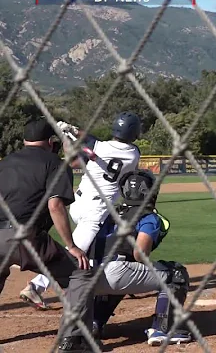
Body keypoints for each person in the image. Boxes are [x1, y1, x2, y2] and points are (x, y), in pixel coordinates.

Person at [58, 169, 192, 350]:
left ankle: (94, 322)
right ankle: (163, 330)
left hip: (88, 277)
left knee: (124, 274)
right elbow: (139, 253)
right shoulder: (148, 216)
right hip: (117, 272)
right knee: (176, 274)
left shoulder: (108, 214)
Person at [21, 111, 142, 310]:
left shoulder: (100, 147)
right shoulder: (133, 153)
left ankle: (102, 275)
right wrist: (74, 131)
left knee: (105, 241)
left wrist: (70, 130)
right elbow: (91, 142)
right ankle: (36, 286)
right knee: (73, 253)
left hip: (77, 204)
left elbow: (87, 145)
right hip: (96, 211)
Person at [0, 118, 91, 325]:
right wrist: (71, 246)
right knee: (79, 276)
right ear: (51, 141)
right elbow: (55, 206)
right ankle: (75, 338)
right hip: (26, 237)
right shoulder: (55, 164)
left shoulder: (4, 163)